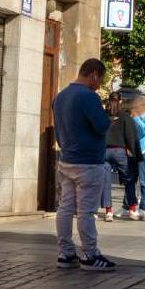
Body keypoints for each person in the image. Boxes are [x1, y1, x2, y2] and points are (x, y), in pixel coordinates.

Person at [52, 58, 117, 270]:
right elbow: (101, 126)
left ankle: (65, 253)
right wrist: (110, 114)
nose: (99, 84)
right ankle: (90, 255)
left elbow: (59, 129)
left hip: (67, 160)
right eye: (100, 80)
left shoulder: (60, 96)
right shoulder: (89, 97)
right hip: (88, 163)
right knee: (86, 212)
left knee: (65, 208)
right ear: (94, 75)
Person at [105, 93, 143, 220]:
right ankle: (132, 209)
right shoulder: (125, 116)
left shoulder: (102, 115)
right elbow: (131, 137)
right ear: (120, 101)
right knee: (129, 180)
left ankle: (108, 211)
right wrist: (137, 155)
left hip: (104, 152)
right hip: (119, 151)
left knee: (105, 181)